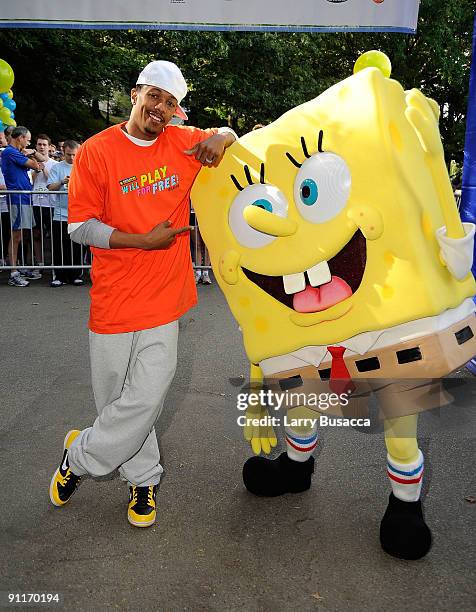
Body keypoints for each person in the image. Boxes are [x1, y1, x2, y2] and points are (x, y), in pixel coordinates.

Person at [49, 60, 236, 528]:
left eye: (171, 103)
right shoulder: (96, 151)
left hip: (163, 297)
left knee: (147, 395)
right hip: (112, 297)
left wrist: (224, 135)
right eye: (155, 96)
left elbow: (234, 134)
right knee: (117, 400)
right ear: (135, 93)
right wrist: (141, 240)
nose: (161, 108)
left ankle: (80, 456)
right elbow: (80, 227)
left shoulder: (182, 141)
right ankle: (144, 478)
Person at [0, 126, 44, 286]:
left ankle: (17, 268)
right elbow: (36, 165)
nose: (29, 142)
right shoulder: (10, 152)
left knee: (21, 234)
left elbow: (40, 164)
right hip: (17, 198)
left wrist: (32, 155)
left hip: (24, 198)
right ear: (20, 138)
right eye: (28, 139)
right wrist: (32, 154)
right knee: (16, 235)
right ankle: (13, 272)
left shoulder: (16, 153)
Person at [47, 140, 83, 286]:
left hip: (79, 214)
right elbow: (50, 187)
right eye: (69, 155)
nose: (72, 158)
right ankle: (59, 276)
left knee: (77, 246)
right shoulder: (57, 168)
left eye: (74, 155)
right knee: (59, 246)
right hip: (60, 213)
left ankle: (75, 274)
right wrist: (62, 182)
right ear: (63, 152)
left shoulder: (83, 167)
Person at [32, 134, 57, 263]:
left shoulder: (55, 164)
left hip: (51, 204)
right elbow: (31, 181)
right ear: (36, 146)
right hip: (36, 202)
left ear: (49, 147)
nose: (42, 147)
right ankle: (39, 262)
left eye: (44, 145)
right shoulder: (30, 162)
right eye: (39, 144)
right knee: (36, 234)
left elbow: (51, 180)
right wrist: (36, 169)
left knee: (53, 235)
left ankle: (54, 263)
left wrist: (42, 165)